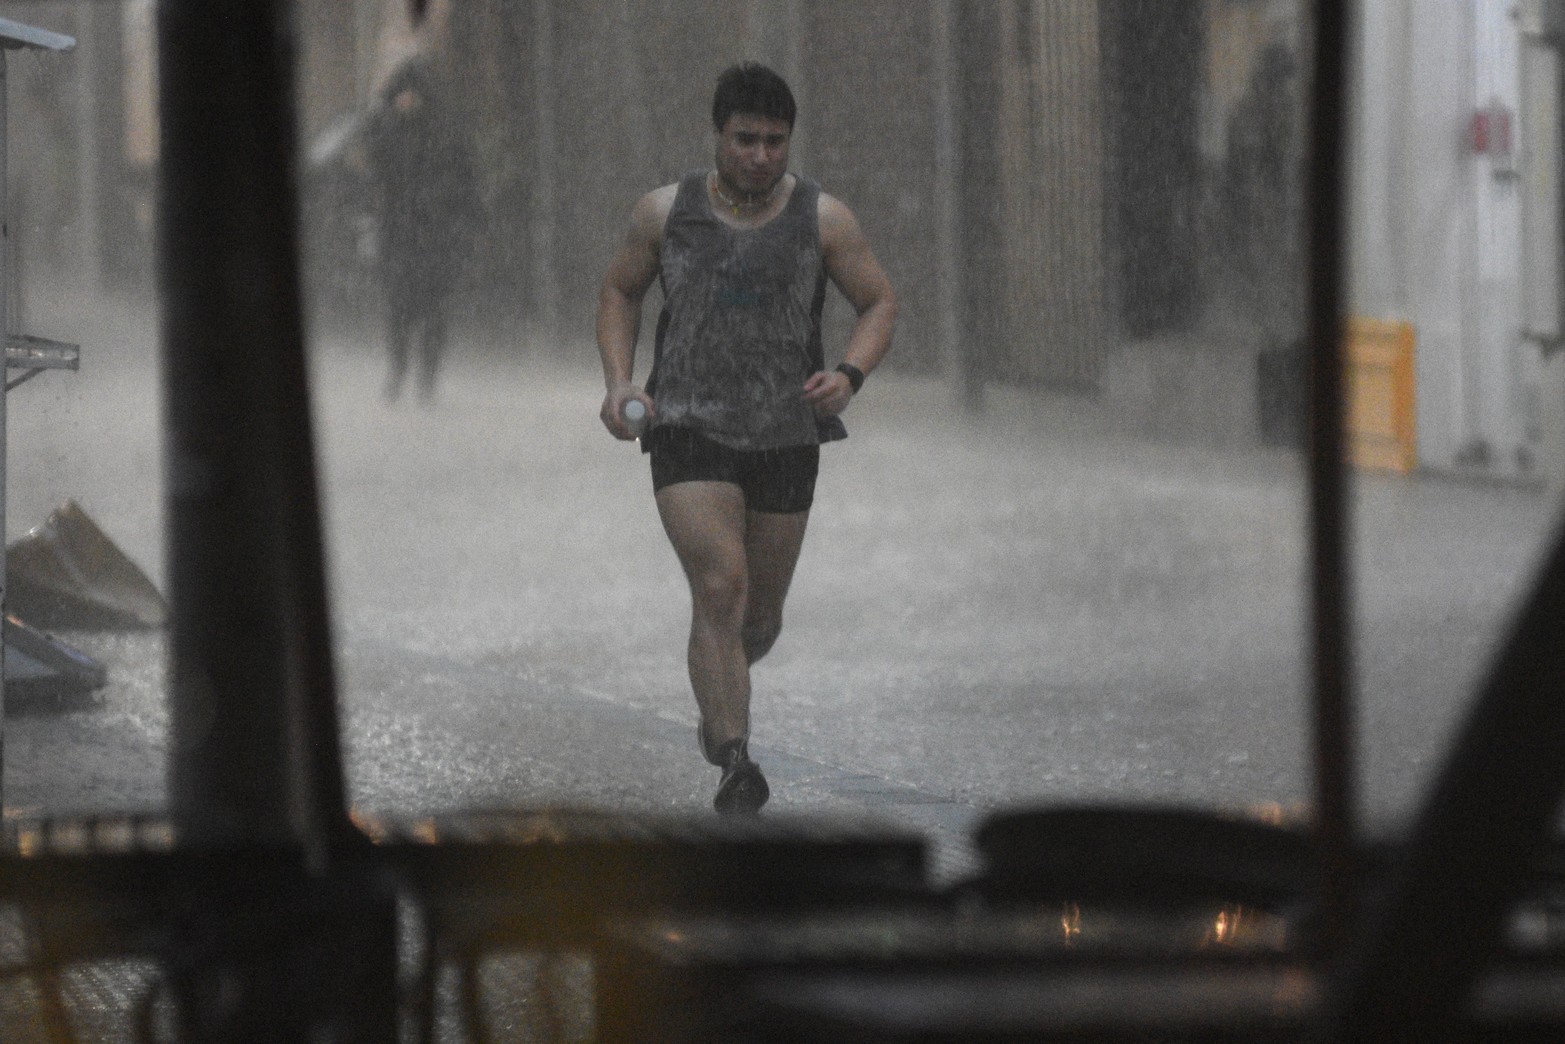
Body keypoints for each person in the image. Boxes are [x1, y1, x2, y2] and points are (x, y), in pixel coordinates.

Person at [596, 63, 897, 815]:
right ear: (717, 135)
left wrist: (849, 376)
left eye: (773, 141)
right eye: (744, 140)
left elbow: (879, 301)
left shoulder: (824, 219)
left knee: (757, 620)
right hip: (687, 425)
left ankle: (718, 698)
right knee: (720, 587)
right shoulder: (665, 213)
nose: (759, 156)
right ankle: (735, 760)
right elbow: (620, 291)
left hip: (786, 434)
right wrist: (619, 381)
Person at [365, 60, 480, 402]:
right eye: (402, 93)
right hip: (399, 235)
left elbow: (466, 180)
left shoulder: (444, 132)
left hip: (434, 236)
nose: (407, 100)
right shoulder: (388, 129)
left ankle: (426, 377)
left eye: (413, 93)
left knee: (433, 311)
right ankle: (398, 370)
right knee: (397, 308)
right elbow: (374, 167)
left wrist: (464, 222)